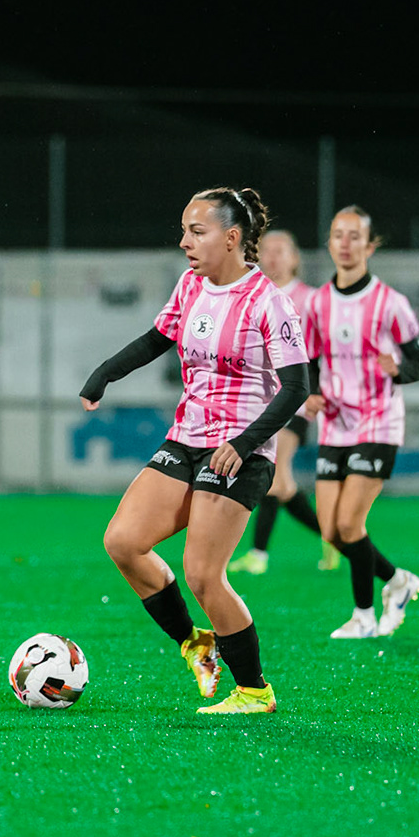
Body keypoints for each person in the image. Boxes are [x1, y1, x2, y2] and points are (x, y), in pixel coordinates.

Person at [80, 187, 309, 714]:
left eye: (196, 231)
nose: (184, 241)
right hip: (185, 441)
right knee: (123, 541)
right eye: (184, 230)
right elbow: (157, 339)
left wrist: (246, 442)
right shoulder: (191, 285)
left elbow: (295, 386)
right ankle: (194, 642)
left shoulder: (269, 302)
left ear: (232, 239)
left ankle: (254, 690)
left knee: (204, 574)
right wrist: (103, 375)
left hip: (240, 452)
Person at [301, 205, 419, 640]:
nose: (345, 243)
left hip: (378, 422)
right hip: (335, 426)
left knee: (349, 526)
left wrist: (398, 369)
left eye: (355, 236)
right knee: (330, 530)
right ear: (329, 243)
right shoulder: (318, 303)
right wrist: (312, 393)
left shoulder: (389, 303)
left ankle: (363, 616)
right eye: (338, 234)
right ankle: (396, 581)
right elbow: (310, 361)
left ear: (370, 246)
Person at [228, 228, 342, 575]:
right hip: (261, 398)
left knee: (275, 475)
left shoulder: (311, 300)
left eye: (282, 250)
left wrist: (316, 391)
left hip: (296, 396)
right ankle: (333, 535)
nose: (274, 256)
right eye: (267, 250)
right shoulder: (251, 295)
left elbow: (327, 351)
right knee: (286, 483)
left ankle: (258, 556)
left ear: (295, 259)